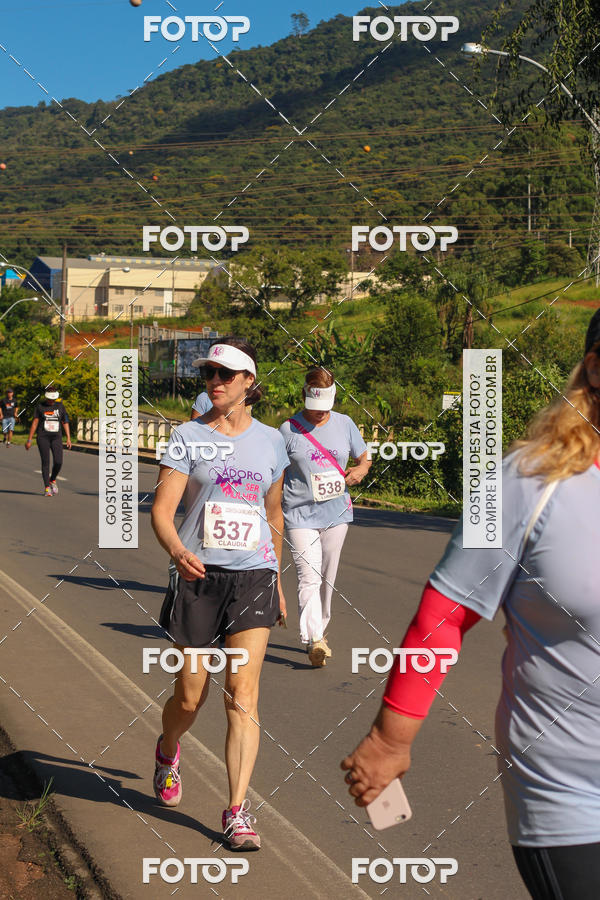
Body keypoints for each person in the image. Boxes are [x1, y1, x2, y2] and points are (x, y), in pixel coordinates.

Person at [342, 310, 600, 900]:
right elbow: (444, 616)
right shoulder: (524, 481)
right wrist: (389, 741)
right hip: (573, 797)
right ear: (594, 367)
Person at [151, 336, 289, 851]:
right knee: (190, 695)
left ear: (249, 383)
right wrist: (175, 551)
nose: (215, 381)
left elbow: (273, 514)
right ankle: (168, 748)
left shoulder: (273, 441)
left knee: (243, 694)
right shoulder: (187, 435)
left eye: (226, 374)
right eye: (209, 372)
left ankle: (236, 810)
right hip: (197, 575)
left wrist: (275, 578)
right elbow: (162, 512)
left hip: (252, 573)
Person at [279, 367, 371, 667]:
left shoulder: (345, 424)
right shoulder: (288, 430)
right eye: (313, 408)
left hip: (337, 513)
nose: (318, 414)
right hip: (299, 513)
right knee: (309, 576)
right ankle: (314, 639)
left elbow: (364, 458)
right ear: (304, 396)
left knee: (327, 579)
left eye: (323, 409)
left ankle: (321, 630)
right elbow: (275, 474)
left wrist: (359, 471)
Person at [25, 389, 71, 497]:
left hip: (56, 437)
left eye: (53, 399)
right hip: (43, 437)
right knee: (46, 462)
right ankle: (47, 488)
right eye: (50, 399)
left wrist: (68, 438)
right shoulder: (40, 407)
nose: (52, 401)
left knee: (58, 462)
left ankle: (53, 479)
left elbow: (65, 421)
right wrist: (29, 440)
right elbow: (35, 423)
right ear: (46, 398)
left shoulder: (60, 406)